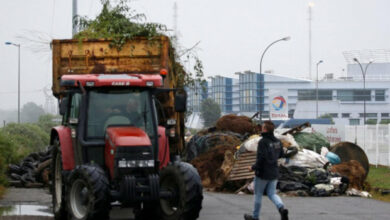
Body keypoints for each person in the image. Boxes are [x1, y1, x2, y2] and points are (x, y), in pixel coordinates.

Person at [244, 120, 289, 220]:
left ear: (265, 129)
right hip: (274, 172)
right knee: (272, 193)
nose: (261, 128)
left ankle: (255, 217)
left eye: (262, 127)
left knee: (258, 194)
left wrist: (253, 167)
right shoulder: (278, 141)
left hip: (263, 173)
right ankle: (281, 208)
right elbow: (281, 154)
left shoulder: (263, 142)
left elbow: (261, 158)